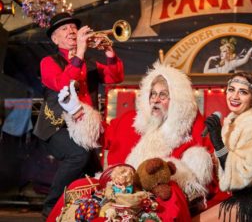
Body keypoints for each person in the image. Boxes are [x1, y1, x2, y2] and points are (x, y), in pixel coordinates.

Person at [47, 62, 229, 222]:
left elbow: (206, 174)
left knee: (170, 200)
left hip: (155, 192)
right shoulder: (133, 121)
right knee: (78, 187)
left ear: (176, 100)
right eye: (153, 94)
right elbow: (100, 135)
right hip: (118, 184)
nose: (155, 100)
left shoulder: (192, 126)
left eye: (163, 95)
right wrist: (76, 110)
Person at [33, 12, 124, 218]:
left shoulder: (89, 63)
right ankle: (51, 204)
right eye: (64, 29)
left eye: (73, 27)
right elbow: (63, 83)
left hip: (83, 131)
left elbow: (115, 77)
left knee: (96, 174)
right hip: (56, 128)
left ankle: (89, 210)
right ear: (55, 39)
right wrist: (81, 52)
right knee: (79, 155)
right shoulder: (49, 62)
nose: (71, 31)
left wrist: (109, 51)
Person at [193, 71, 252, 221]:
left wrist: (217, 140)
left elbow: (241, 173)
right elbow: (225, 168)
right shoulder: (232, 123)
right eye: (231, 90)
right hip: (245, 195)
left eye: (243, 92)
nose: (235, 96)